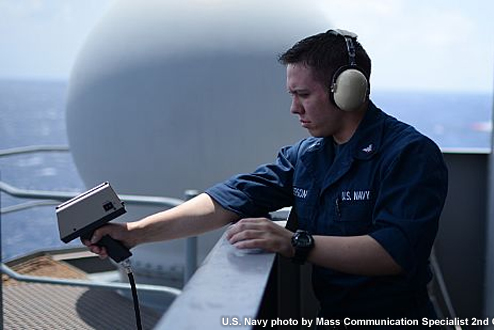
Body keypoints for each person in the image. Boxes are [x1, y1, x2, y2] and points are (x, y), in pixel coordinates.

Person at [84, 29, 448, 327]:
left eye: (303, 94)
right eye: (292, 95)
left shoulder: (409, 154)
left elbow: (394, 252)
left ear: (347, 90)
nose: (294, 108)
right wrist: (135, 233)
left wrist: (294, 242)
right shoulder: (309, 156)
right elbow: (229, 199)